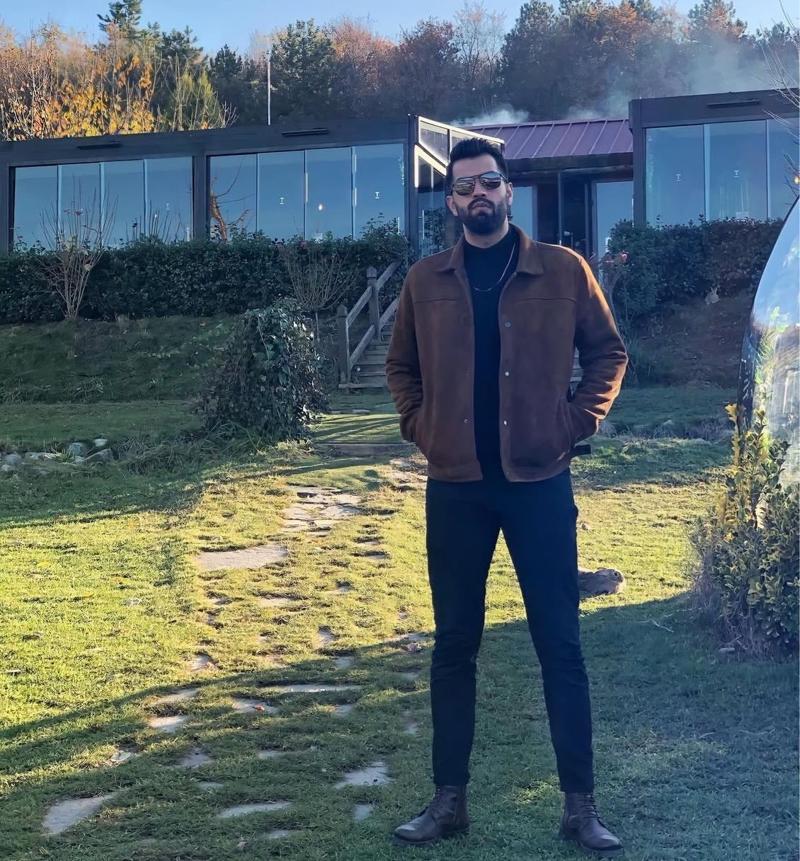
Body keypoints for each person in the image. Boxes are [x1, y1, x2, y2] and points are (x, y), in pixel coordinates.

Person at [385, 137, 628, 855]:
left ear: (509, 190)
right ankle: (448, 801)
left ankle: (580, 807)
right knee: (454, 645)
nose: (478, 196)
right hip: (456, 487)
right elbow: (401, 367)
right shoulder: (424, 281)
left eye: (489, 182)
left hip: (539, 483)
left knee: (560, 644)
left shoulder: (563, 270)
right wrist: (422, 427)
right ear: (451, 201)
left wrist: (575, 422)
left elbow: (608, 352)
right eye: (464, 187)